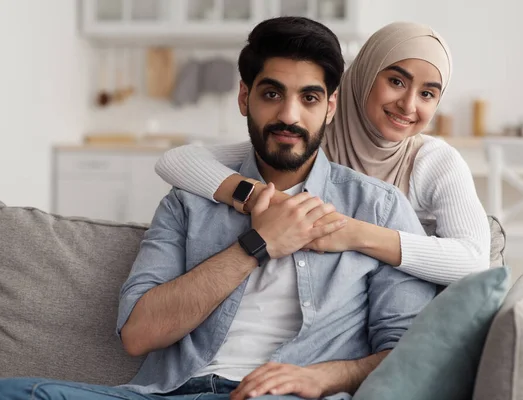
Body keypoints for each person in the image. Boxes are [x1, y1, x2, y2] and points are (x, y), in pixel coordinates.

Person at [0, 17, 435, 400]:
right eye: (271, 94)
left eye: (309, 98)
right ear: (244, 98)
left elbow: (415, 352)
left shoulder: (377, 209)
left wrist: (326, 377)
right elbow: (138, 334)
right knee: (15, 391)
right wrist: (257, 244)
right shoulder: (189, 201)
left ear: (331, 106)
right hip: (169, 392)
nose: (289, 115)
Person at [155, 21, 491, 286]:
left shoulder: (433, 160)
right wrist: (261, 197)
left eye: (428, 93)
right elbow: (177, 160)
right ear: (363, 76)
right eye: (397, 82)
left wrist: (353, 233)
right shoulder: (308, 140)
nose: (409, 104)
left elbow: (475, 260)